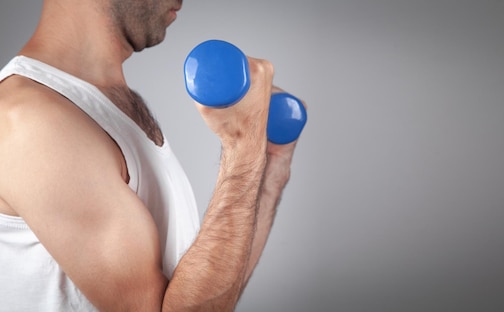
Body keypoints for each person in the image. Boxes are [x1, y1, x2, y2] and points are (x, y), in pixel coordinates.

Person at [0, 0, 304, 311]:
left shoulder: (100, 104)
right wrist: (242, 145)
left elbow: (212, 297)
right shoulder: (33, 119)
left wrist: (268, 161)